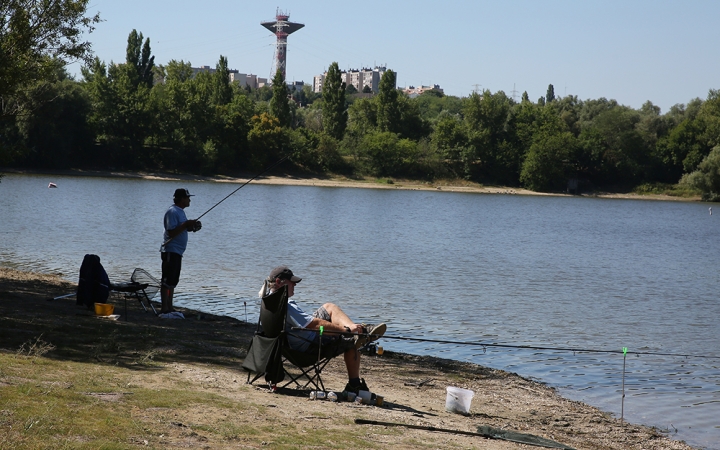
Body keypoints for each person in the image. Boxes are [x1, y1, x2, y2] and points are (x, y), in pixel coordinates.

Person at [260, 266, 386, 395]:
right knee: (351, 340)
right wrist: (345, 330)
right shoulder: (285, 305)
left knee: (329, 307)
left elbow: (309, 323)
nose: (294, 285)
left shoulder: (270, 299)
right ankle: (354, 383)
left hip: (293, 343)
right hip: (309, 347)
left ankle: (360, 331)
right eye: (292, 282)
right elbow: (314, 324)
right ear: (278, 282)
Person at [160, 188, 202, 315]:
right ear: (181, 199)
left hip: (177, 252)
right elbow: (171, 232)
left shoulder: (180, 212)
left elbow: (180, 229)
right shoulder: (172, 212)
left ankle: (170, 306)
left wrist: (192, 227)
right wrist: (185, 225)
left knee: (173, 280)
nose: (189, 200)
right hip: (170, 250)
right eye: (187, 197)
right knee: (166, 281)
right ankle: (164, 308)